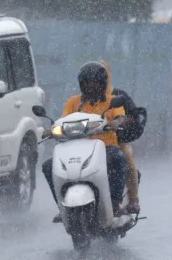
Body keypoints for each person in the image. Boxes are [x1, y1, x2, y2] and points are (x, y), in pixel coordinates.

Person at [42, 61, 128, 223]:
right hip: (75, 149)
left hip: (105, 148)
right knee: (48, 166)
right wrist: (52, 130)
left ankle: (115, 204)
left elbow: (120, 116)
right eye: (87, 83)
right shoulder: (73, 102)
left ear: (102, 84)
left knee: (118, 158)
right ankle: (62, 207)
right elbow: (64, 120)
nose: (91, 87)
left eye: (95, 83)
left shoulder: (112, 101)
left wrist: (117, 122)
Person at [100, 60, 141, 215]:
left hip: (114, 141)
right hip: (88, 142)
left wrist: (119, 123)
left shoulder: (117, 96)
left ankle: (133, 200)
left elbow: (130, 116)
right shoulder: (80, 100)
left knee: (128, 162)